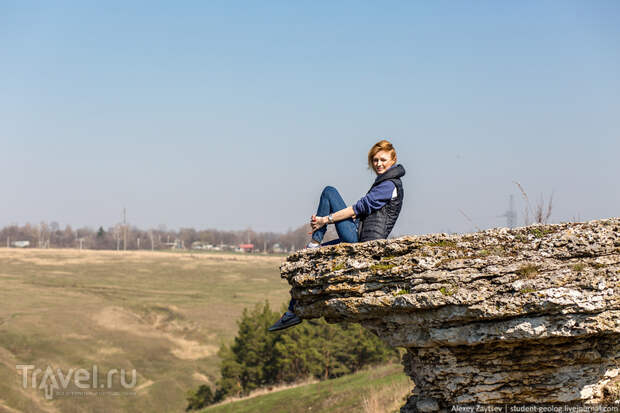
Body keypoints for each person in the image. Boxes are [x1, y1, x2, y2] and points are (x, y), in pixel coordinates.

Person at [268, 139, 405, 332]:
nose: (378, 164)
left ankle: (315, 242)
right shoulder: (383, 183)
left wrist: (325, 220)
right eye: (374, 160)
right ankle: (292, 313)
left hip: (363, 243)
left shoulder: (389, 185)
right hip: (358, 235)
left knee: (329, 192)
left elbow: (357, 208)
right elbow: (361, 212)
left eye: (383, 159)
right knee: (310, 259)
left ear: (393, 160)